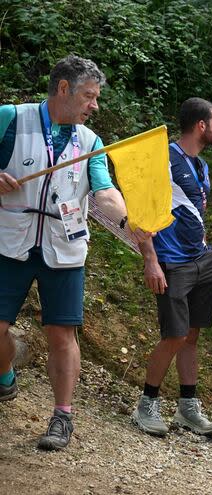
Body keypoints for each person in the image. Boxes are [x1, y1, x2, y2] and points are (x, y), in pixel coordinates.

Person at [0, 55, 151, 450]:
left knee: (61, 333)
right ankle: (5, 374)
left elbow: (104, 192)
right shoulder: (11, 119)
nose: (94, 105)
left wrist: (128, 223)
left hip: (63, 247)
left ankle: (62, 416)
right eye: (89, 96)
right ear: (63, 89)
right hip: (9, 242)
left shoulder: (90, 142)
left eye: (96, 98)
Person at [131, 98, 212, 437]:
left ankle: (187, 406)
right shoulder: (164, 158)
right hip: (171, 261)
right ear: (201, 125)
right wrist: (150, 260)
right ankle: (147, 403)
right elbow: (140, 211)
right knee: (174, 335)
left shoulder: (201, 166)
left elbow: (194, 209)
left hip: (201, 258)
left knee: (192, 336)